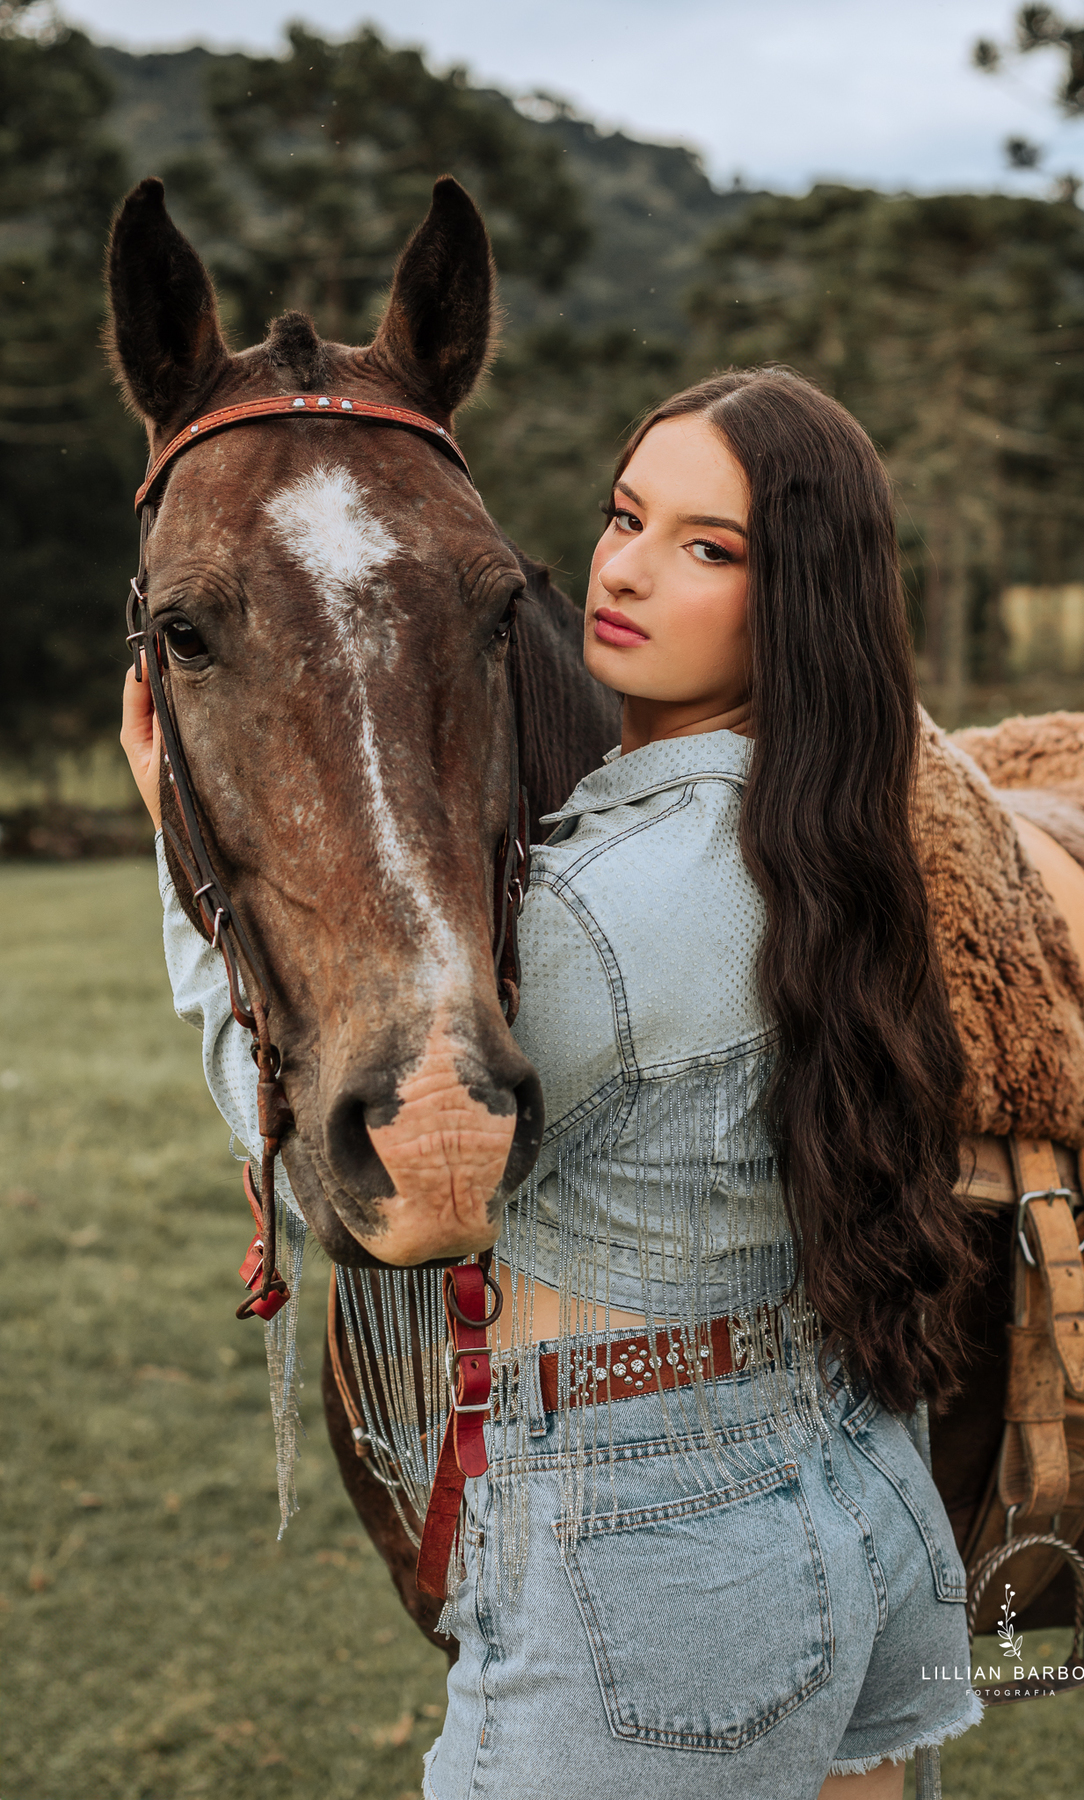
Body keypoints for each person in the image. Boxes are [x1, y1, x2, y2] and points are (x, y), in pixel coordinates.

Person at [122, 366, 982, 1799]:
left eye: (711, 549)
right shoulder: (813, 836)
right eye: (623, 514)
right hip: (858, 1486)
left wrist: (180, 850)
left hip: (650, 1560)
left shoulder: (594, 924)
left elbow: (363, 1183)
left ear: (800, 599)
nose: (627, 572)